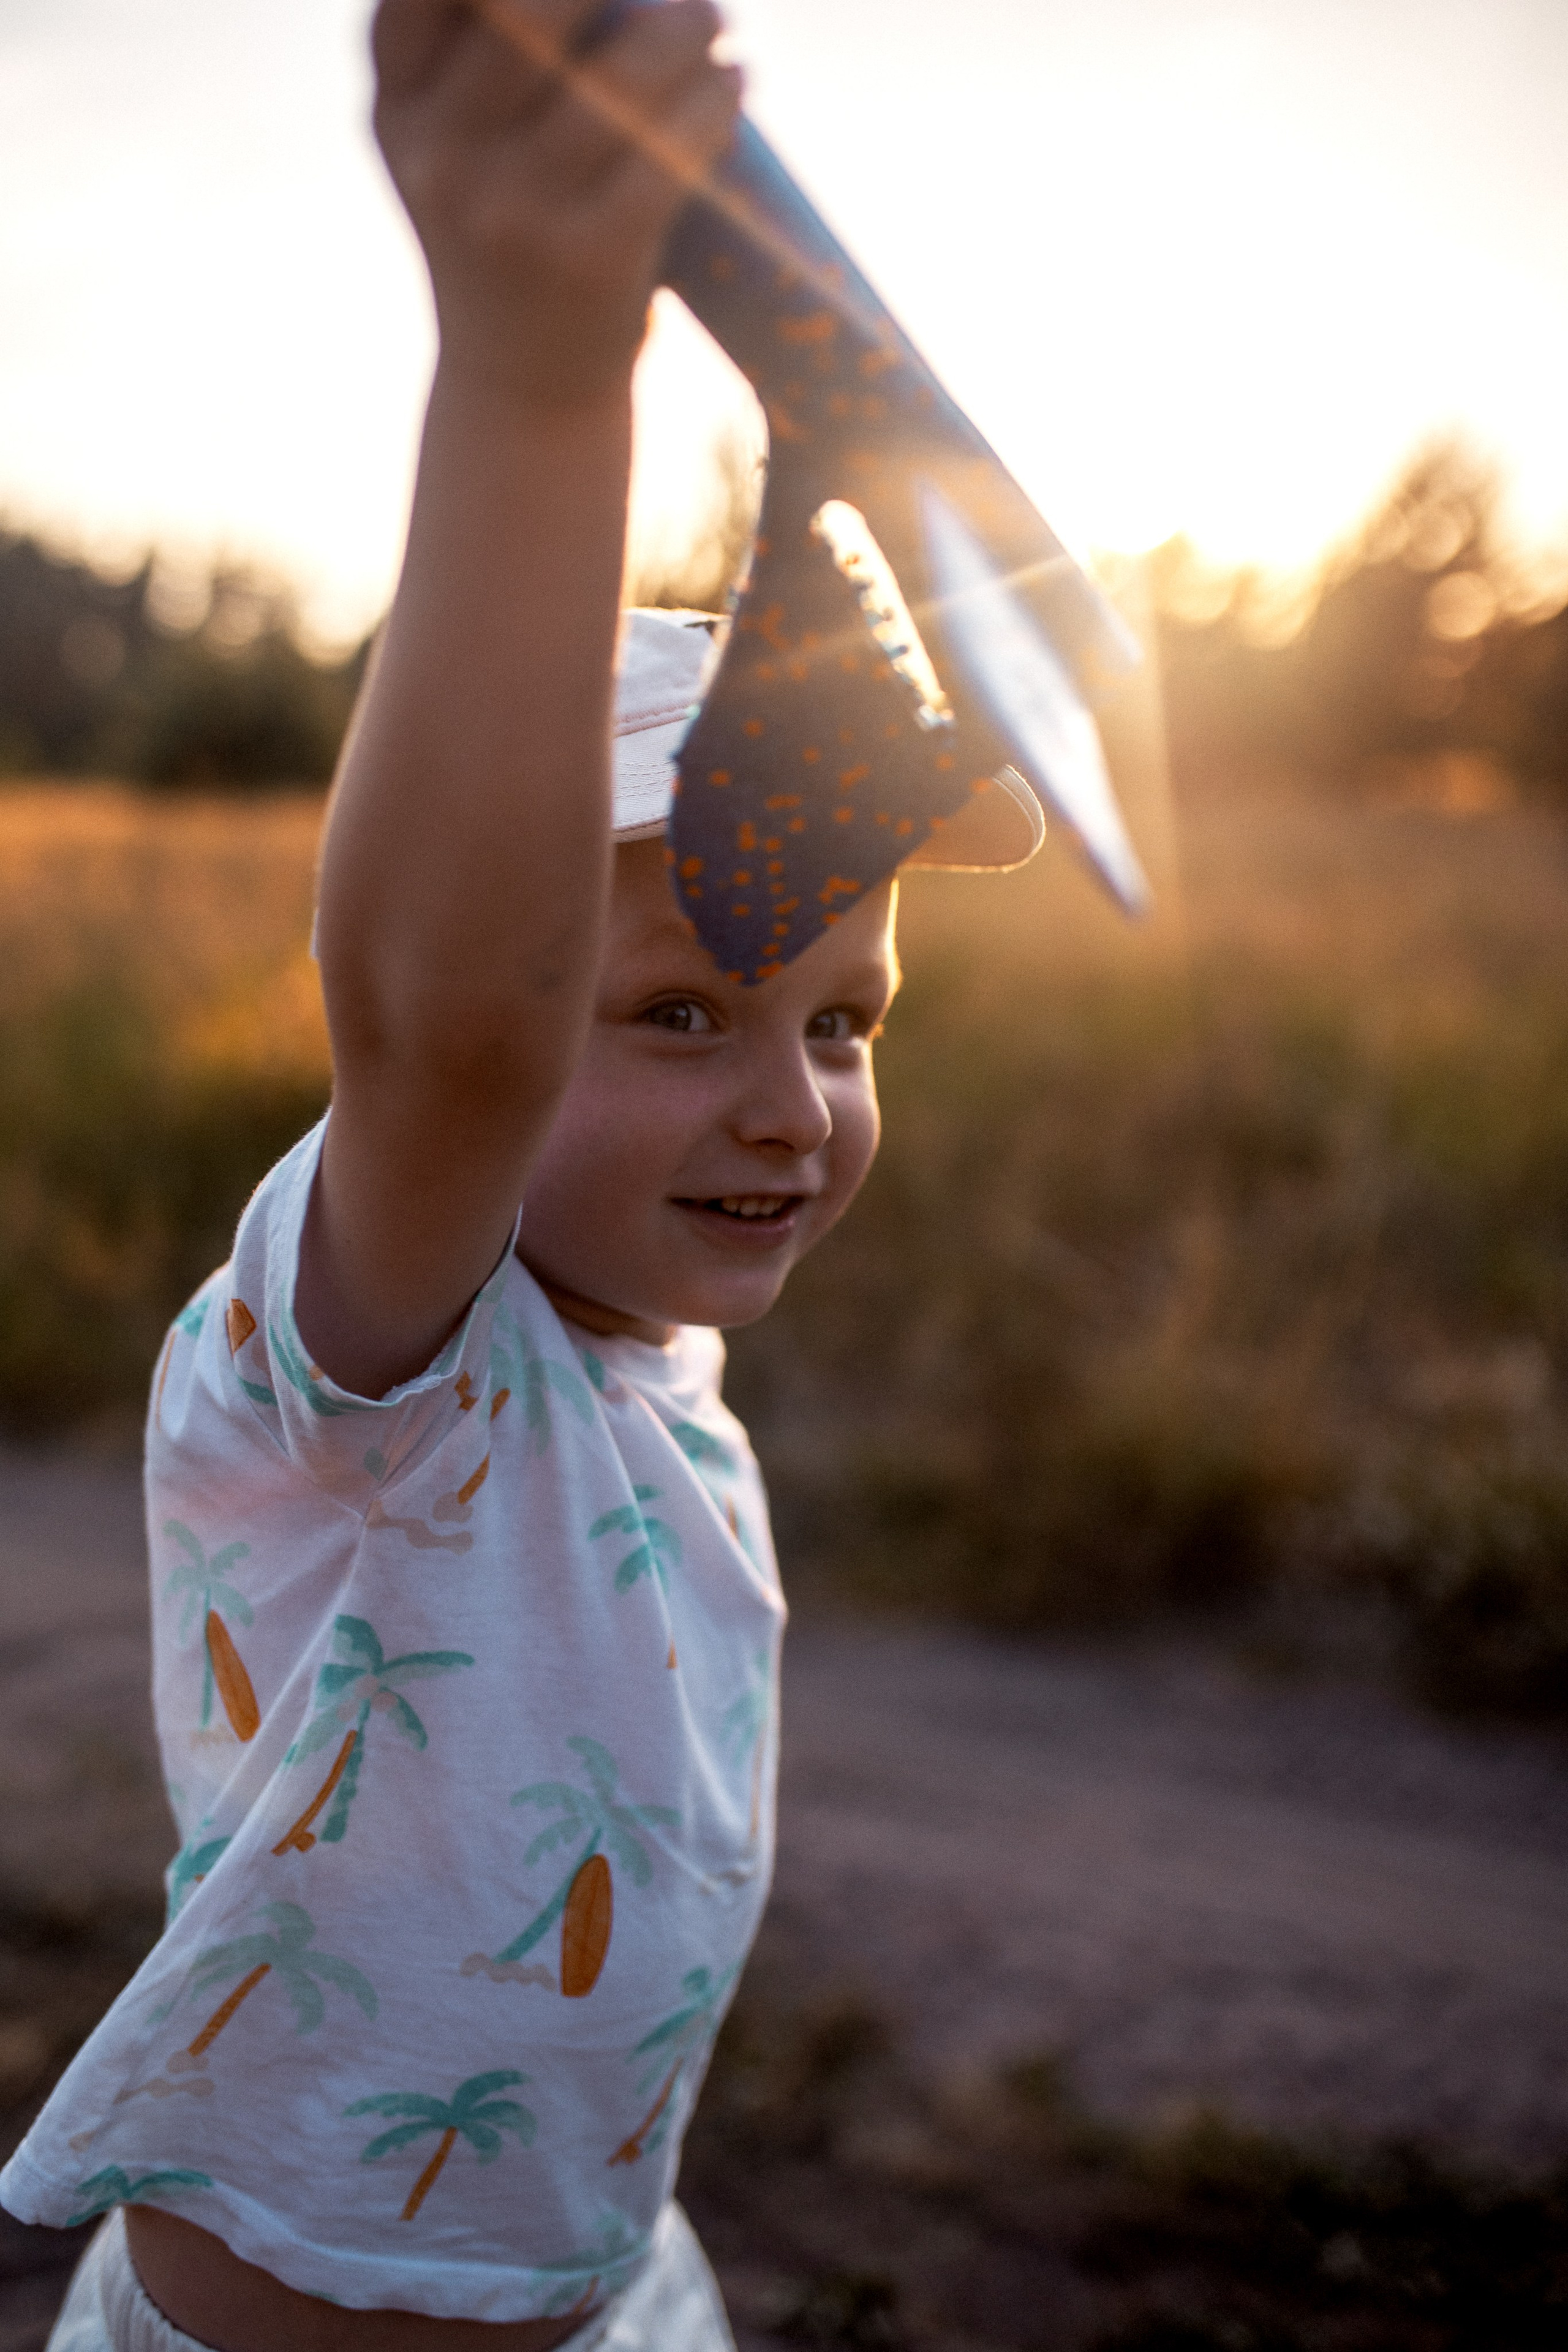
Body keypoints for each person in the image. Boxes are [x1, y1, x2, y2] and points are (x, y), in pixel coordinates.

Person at [2, 5, 1042, 2348]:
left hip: (613, 2297)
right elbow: (455, 1027)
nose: (792, 1100)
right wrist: (543, 385)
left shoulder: (646, 1366)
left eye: (844, 1020)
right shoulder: (382, 1374)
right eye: (678, 1010)